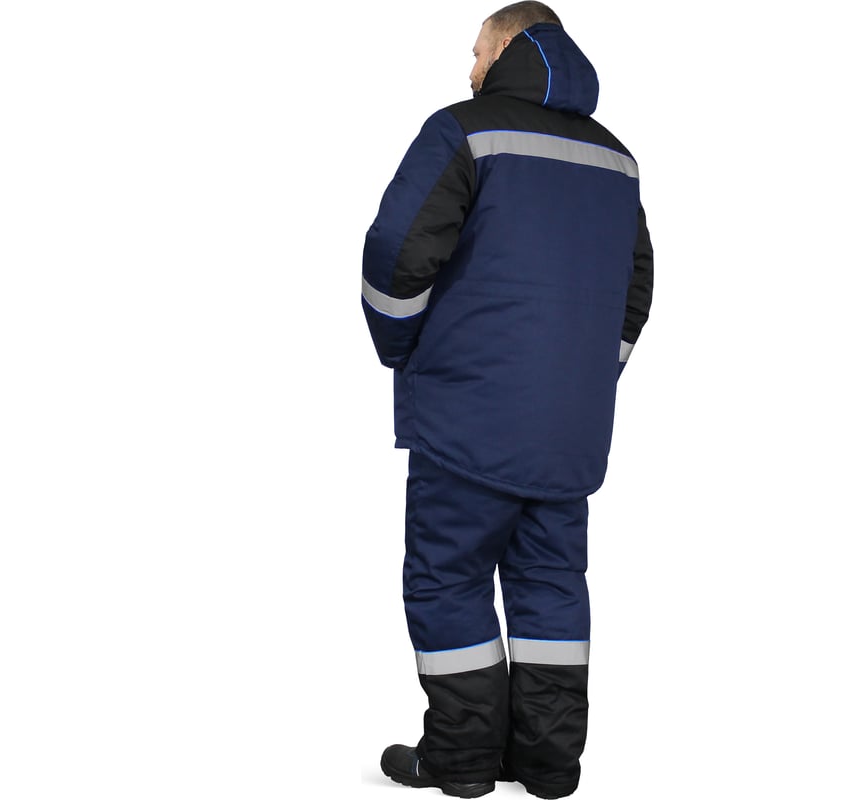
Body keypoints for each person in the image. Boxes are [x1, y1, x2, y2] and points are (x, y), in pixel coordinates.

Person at [360, 2, 653, 797]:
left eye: (478, 50)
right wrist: (584, 376)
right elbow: (635, 290)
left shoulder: (463, 132)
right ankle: (549, 766)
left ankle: (461, 761)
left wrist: (402, 349)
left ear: (511, 46)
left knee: (447, 577)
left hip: (469, 417)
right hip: (570, 429)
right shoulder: (617, 159)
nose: (470, 68)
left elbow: (396, 251)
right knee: (551, 583)